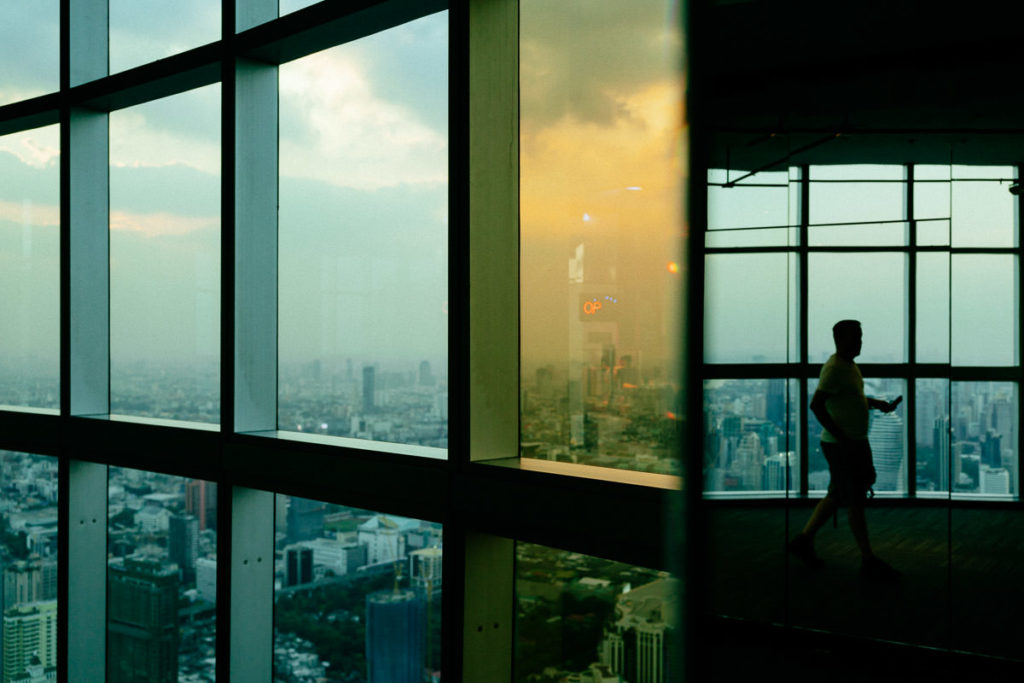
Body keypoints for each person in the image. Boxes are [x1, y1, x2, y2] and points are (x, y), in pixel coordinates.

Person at [788, 319, 902, 581]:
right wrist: (843, 438)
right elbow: (816, 405)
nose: (861, 341)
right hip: (844, 445)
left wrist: (876, 404)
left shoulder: (848, 366)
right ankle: (868, 560)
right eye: (857, 337)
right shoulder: (836, 368)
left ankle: (803, 541)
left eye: (861, 336)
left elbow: (852, 398)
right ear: (842, 340)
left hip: (850, 442)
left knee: (838, 494)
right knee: (855, 499)